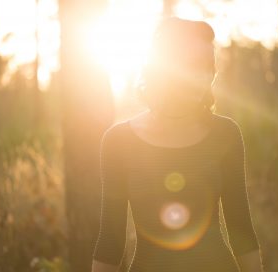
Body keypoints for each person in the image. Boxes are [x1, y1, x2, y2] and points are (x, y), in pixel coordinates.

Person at [92, 17, 264, 272]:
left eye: (209, 66)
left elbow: (242, 231)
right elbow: (111, 241)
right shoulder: (118, 141)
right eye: (193, 65)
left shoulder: (225, 134)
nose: (204, 76)